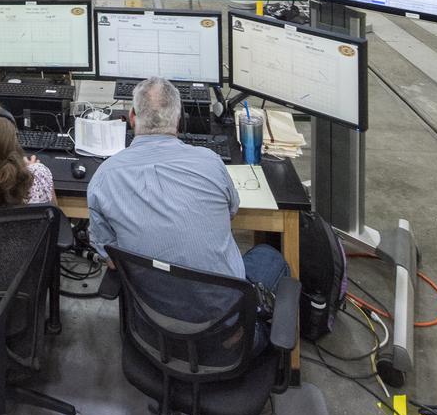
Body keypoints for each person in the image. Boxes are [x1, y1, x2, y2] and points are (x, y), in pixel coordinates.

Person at [87, 77, 288, 352]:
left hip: (152, 333)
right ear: (178, 118)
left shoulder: (103, 178)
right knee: (270, 257)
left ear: (132, 117)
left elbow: (112, 260)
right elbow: (231, 212)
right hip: (224, 339)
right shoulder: (210, 162)